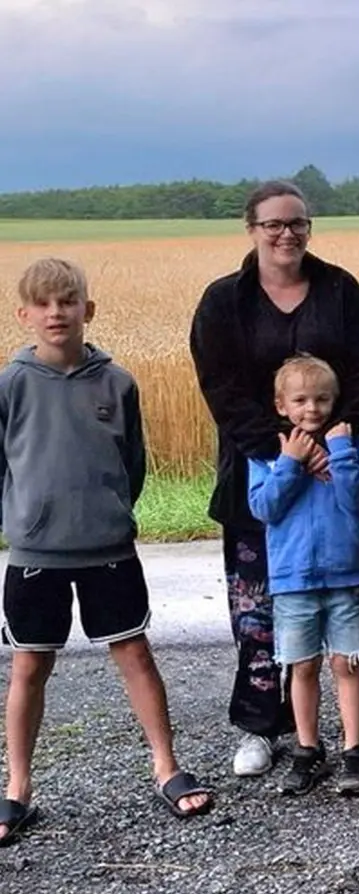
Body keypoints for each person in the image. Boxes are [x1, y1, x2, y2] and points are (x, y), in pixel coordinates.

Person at [191, 181, 359, 777]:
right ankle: (265, 727)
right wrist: (288, 450)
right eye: (273, 224)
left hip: (342, 468)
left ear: (309, 227)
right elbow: (221, 390)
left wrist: (333, 444)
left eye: (297, 222)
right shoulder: (223, 302)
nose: (286, 233)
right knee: (259, 607)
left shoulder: (339, 289)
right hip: (260, 471)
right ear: (252, 229)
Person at [0, 258, 214, 846]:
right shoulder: (10, 384)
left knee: (136, 655)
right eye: (42, 304)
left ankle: (166, 767)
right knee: (28, 667)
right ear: (23, 315)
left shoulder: (116, 382)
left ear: (87, 310)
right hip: (35, 552)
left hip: (108, 548)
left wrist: (113, 514)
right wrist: (19, 521)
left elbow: (134, 463)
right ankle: (18, 788)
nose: (55, 313)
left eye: (67, 302)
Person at [247, 356, 359, 796]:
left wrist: (339, 454)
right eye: (300, 400)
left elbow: (358, 498)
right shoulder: (268, 456)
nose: (312, 409)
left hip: (345, 574)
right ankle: (307, 746)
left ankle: (354, 746)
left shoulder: (352, 446)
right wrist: (290, 463)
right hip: (293, 579)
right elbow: (264, 508)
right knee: (302, 665)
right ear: (281, 405)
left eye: (322, 399)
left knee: (347, 662)